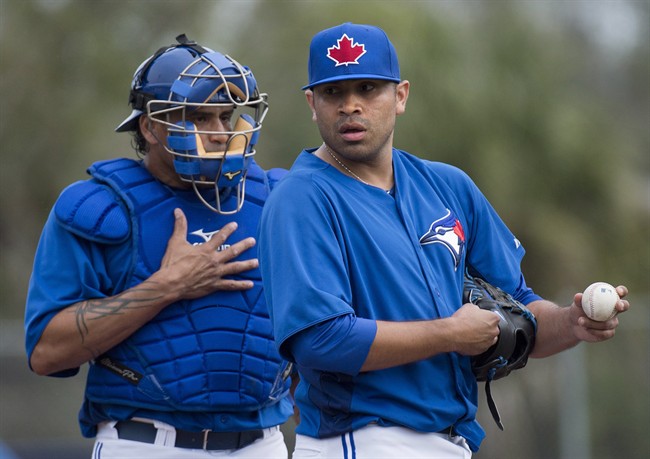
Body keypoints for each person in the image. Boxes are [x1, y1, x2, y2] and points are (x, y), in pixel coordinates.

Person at [258, 23, 630, 458]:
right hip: (362, 440)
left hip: (453, 440)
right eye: (333, 93)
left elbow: (521, 305)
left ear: (400, 96)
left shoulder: (447, 185)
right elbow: (320, 340)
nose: (350, 106)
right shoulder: (302, 198)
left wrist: (571, 323)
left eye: (367, 88)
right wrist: (448, 334)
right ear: (312, 103)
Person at [24, 34, 293, 459]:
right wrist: (167, 286)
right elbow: (46, 353)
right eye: (201, 118)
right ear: (150, 126)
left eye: (227, 116)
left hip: (264, 444)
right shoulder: (100, 207)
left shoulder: (280, 200)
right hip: (146, 443)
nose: (221, 133)